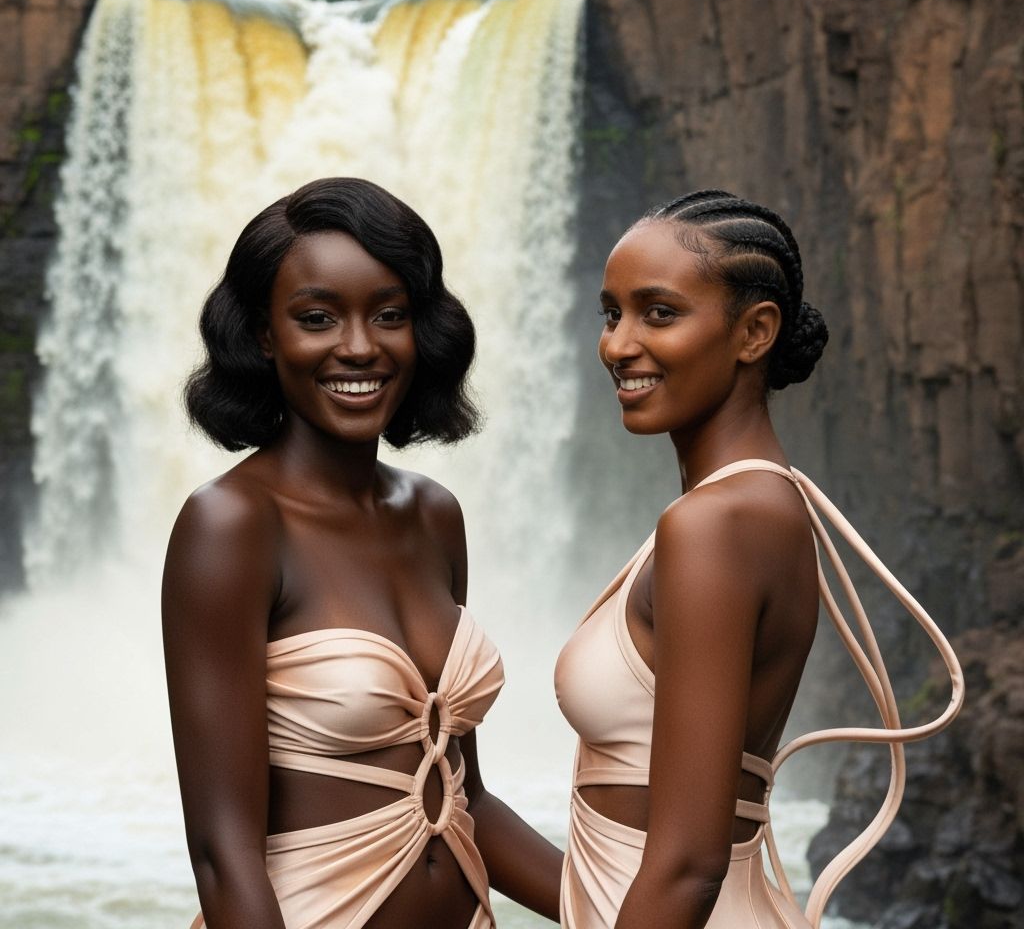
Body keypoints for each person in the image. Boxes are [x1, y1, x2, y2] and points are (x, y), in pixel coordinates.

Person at [555, 190, 964, 929]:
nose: (618, 345)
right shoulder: (754, 506)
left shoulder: (717, 524)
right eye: (611, 313)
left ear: (755, 333)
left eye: (659, 313)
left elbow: (688, 864)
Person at [163, 176, 562, 929]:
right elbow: (224, 854)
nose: (359, 347)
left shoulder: (434, 515)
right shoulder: (230, 525)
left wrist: (637, 914)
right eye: (318, 318)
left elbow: (461, 797)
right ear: (261, 334)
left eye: (390, 315)